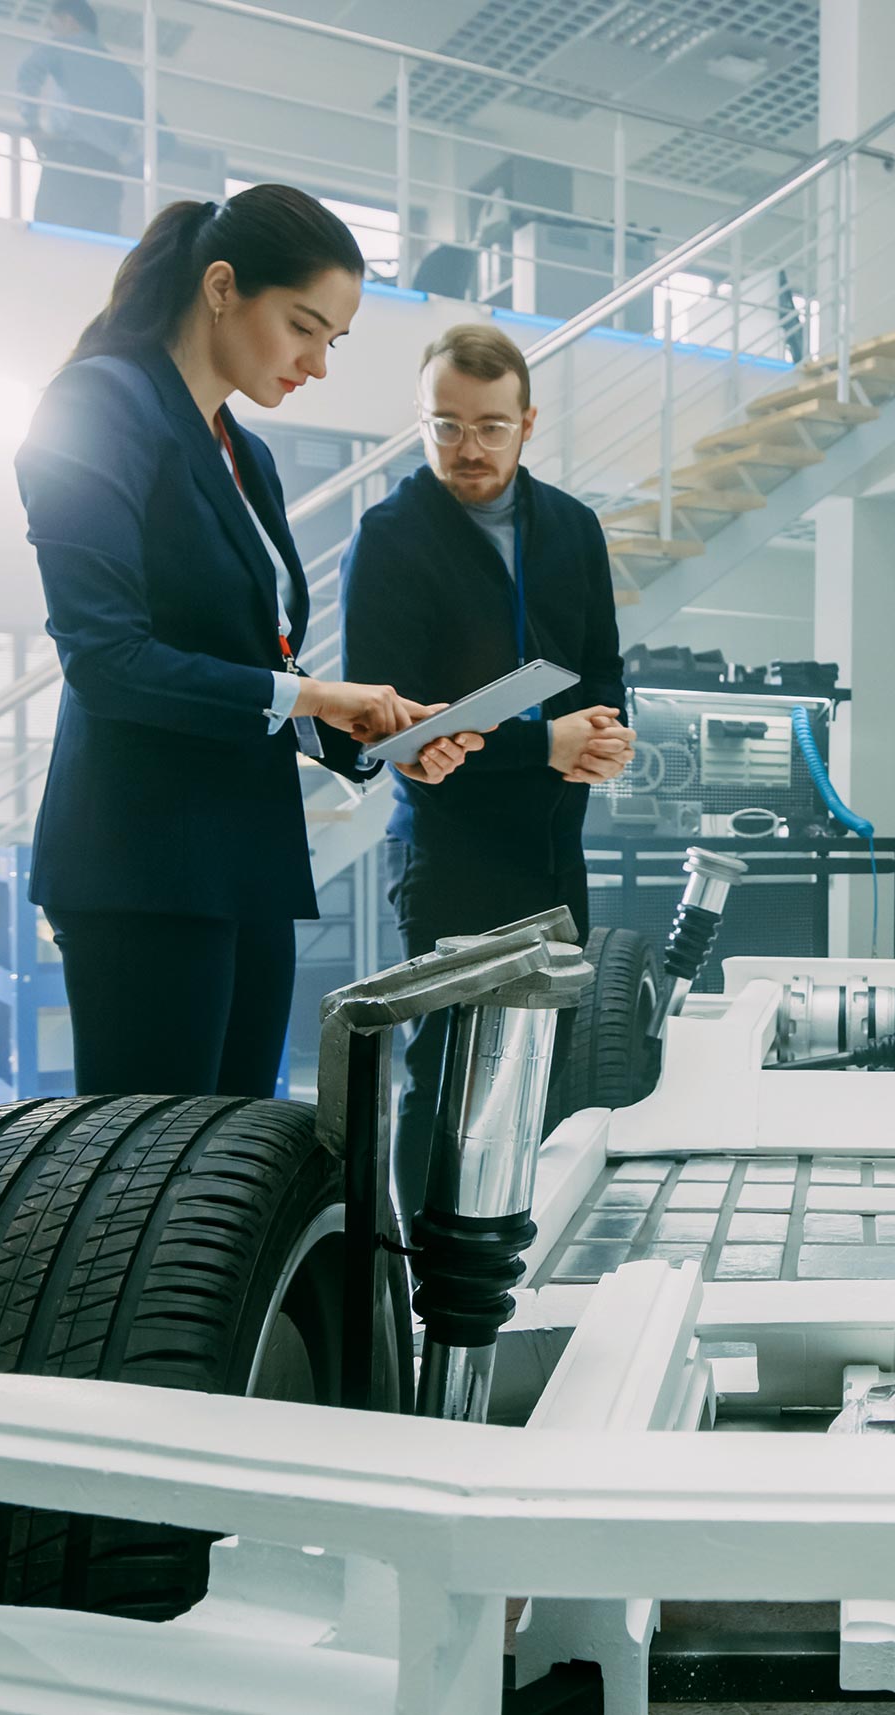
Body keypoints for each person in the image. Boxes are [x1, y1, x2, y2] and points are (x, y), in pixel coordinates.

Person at [15, 185, 483, 1098]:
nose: (316, 362)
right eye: (303, 326)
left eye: (332, 342)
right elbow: (108, 662)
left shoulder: (247, 453)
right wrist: (315, 696)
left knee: (232, 1172)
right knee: (146, 1190)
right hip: (143, 862)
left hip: (246, 860)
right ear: (222, 286)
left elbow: (256, 663)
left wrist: (368, 727)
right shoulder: (96, 406)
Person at [340, 323, 636, 1220]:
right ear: (421, 422)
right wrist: (542, 744)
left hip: (555, 852)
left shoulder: (573, 528)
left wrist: (610, 736)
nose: (468, 449)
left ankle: (516, 1261)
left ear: (528, 421)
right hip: (451, 853)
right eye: (446, 426)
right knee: (446, 1080)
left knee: (546, 1071)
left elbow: (602, 670)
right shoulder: (390, 537)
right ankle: (427, 1294)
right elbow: (386, 727)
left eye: (491, 426)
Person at [16, 0, 142, 236]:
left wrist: (32, 125)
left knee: (50, 239)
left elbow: (28, 73)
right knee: (98, 247)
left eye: (53, 25)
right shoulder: (125, 76)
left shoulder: (65, 47)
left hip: (68, 161)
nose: (53, 32)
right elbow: (164, 137)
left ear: (68, 19)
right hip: (108, 173)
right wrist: (131, 163)